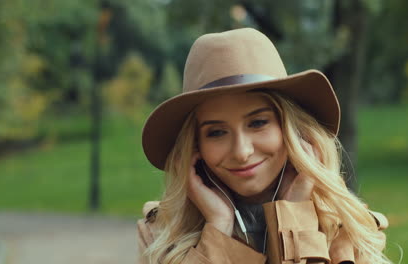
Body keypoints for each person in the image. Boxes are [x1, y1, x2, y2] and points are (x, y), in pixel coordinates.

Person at [137, 28, 390, 264]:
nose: (242, 152)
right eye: (216, 132)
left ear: (291, 129)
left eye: (257, 123)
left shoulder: (347, 231)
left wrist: (297, 221)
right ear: (195, 146)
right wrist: (218, 229)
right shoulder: (161, 237)